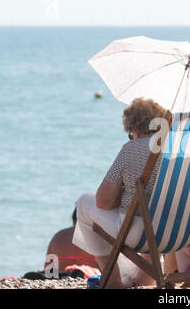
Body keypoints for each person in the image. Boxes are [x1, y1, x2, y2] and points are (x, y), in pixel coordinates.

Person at [72, 97, 166, 288]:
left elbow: (103, 202)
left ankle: (113, 281)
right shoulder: (181, 149)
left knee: (83, 203)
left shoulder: (131, 149)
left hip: (140, 234)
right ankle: (145, 280)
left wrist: (124, 191)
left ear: (134, 128)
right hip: (178, 231)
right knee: (154, 210)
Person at [45, 208, 100, 272]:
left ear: (73, 219)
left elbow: (47, 268)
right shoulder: (97, 237)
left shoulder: (58, 236)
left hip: (60, 277)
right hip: (89, 279)